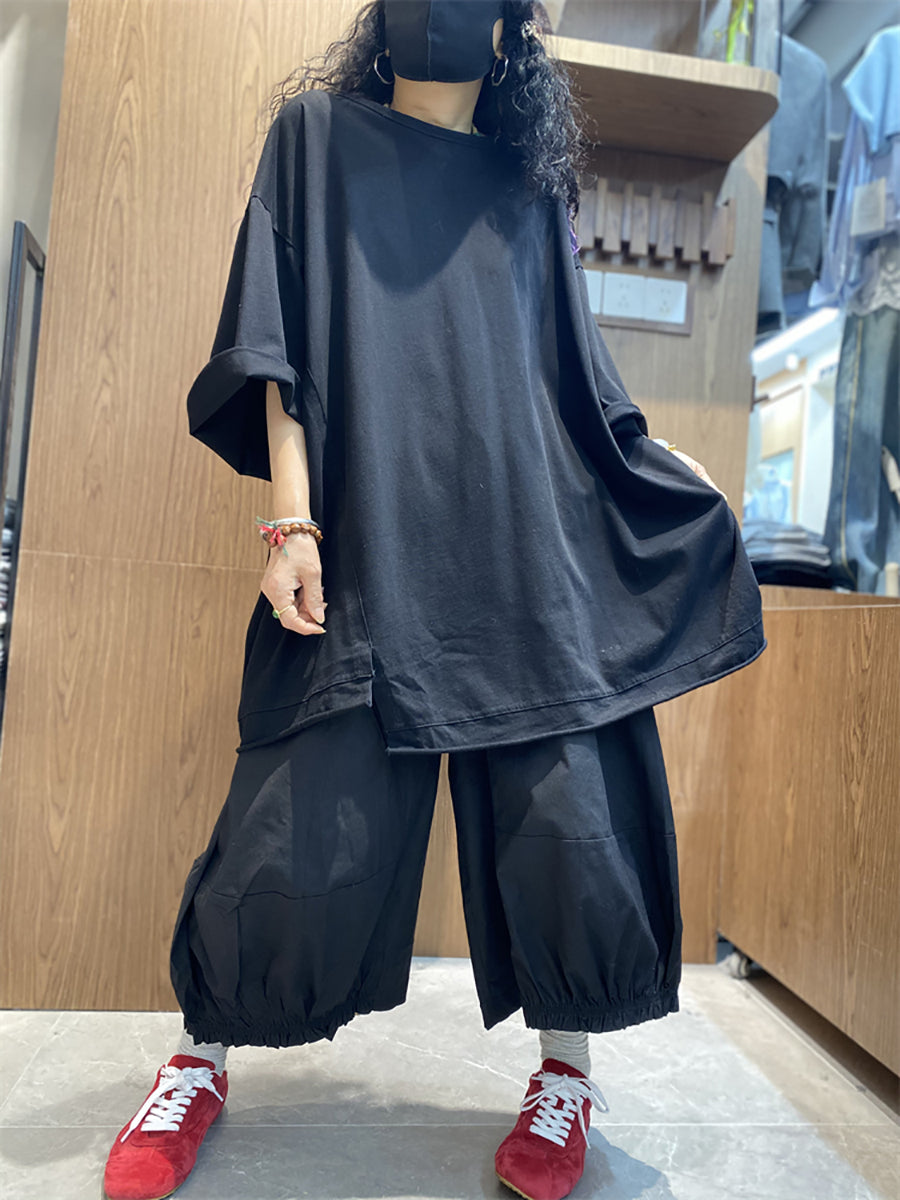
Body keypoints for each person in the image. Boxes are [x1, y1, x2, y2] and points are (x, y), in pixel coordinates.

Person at [103, 3, 765, 1199]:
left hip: (525, 556)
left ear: (510, 35)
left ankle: (567, 1075)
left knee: (568, 825)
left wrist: (653, 465)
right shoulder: (315, 138)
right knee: (291, 825)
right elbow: (275, 344)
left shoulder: (529, 191)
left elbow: (575, 382)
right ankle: (199, 1060)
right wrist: (291, 523)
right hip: (367, 543)